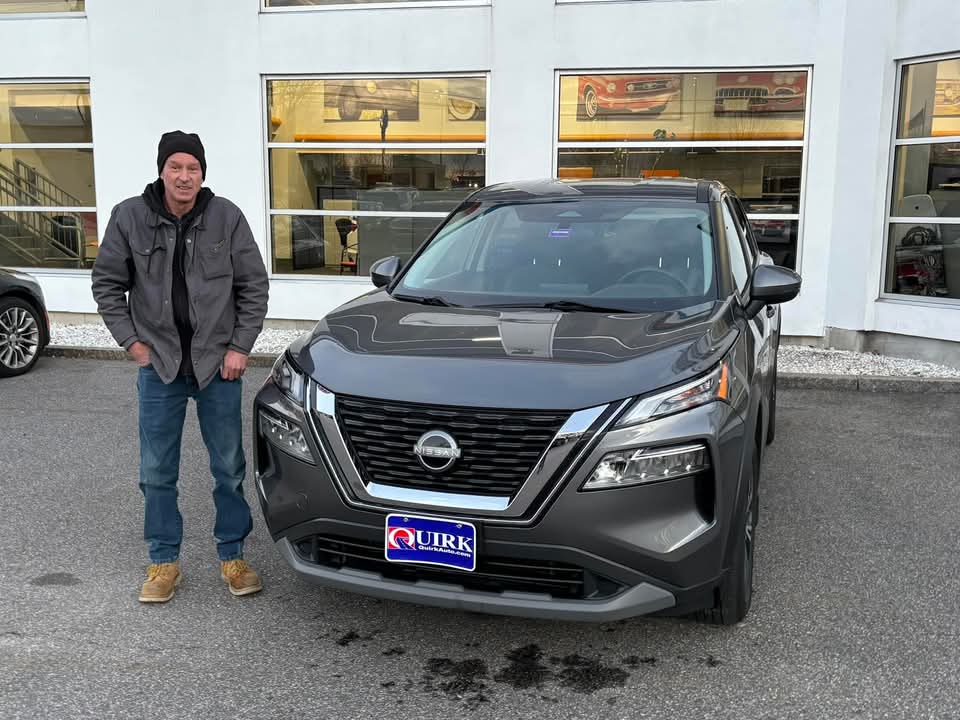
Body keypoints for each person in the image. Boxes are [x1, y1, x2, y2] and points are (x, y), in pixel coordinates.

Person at [92, 131, 269, 603]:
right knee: (156, 471)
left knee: (228, 467)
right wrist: (132, 343)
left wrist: (240, 347)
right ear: (162, 171)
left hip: (218, 366)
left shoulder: (226, 217)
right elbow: (107, 283)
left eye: (193, 168)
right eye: (176, 167)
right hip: (160, 366)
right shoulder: (130, 216)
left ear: (202, 173)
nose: (184, 176)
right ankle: (163, 561)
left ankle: (233, 556)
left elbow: (253, 286)